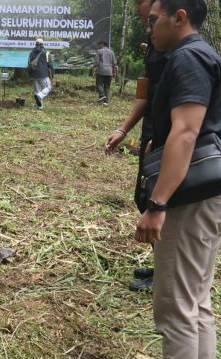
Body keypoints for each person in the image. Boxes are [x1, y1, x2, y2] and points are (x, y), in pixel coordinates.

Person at [133, 1, 221, 357]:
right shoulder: (202, 55)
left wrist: (158, 203)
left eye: (154, 21)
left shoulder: (188, 59)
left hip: (187, 198)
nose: (149, 29)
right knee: (196, 301)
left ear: (179, 17)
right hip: (203, 194)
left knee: (175, 308)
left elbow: (185, 133)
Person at [104, 0, 165, 292]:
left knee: (160, 201)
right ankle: (160, 265)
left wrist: (162, 140)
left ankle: (166, 274)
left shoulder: (182, 52)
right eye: (144, 21)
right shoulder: (154, 45)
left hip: (165, 136)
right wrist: (123, 128)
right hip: (151, 132)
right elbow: (144, 89)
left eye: (149, 19)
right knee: (144, 195)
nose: (147, 25)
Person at [28, 38, 53, 110]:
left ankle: (39, 106)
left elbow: (29, 64)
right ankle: (40, 96)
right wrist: (52, 74)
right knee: (48, 87)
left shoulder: (31, 53)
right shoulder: (46, 53)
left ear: (35, 44)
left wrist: (30, 75)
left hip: (34, 75)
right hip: (43, 74)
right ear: (42, 44)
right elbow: (50, 65)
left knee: (37, 90)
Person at [93, 40, 117, 105]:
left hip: (101, 71)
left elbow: (97, 62)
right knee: (107, 86)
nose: (98, 46)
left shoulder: (99, 51)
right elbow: (114, 64)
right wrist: (114, 73)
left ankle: (102, 95)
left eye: (99, 45)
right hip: (109, 71)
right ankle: (106, 102)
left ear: (102, 44)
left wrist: (94, 70)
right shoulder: (112, 52)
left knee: (99, 84)